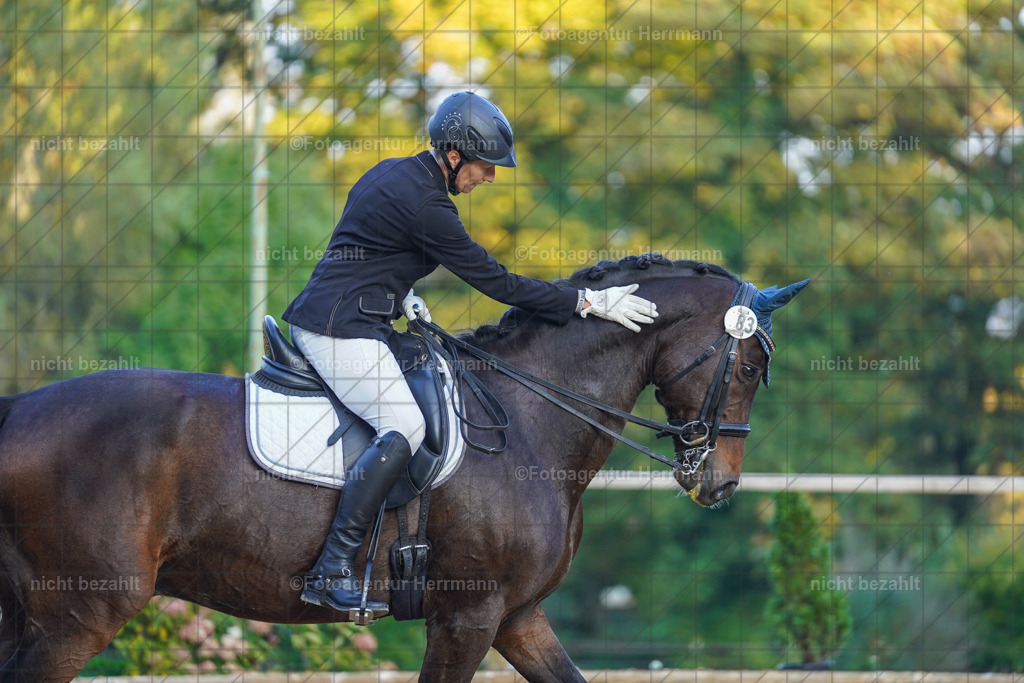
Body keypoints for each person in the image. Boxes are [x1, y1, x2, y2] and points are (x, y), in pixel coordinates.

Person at [282, 90, 658, 614]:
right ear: (454, 155)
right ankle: (332, 568)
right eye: (485, 166)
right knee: (405, 426)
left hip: (354, 319)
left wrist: (399, 295)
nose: (491, 177)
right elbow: (497, 282)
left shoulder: (393, 172)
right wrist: (588, 301)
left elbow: (364, 246)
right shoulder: (429, 206)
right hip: (338, 331)